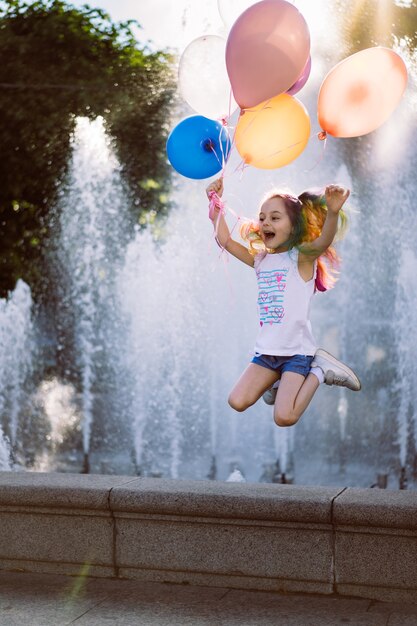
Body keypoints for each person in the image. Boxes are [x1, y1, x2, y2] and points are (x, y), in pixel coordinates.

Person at [206, 177, 361, 428]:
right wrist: (215, 207)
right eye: (262, 217)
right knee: (237, 400)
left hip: (296, 354)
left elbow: (323, 241)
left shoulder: (301, 258)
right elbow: (225, 241)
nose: (265, 222)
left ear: (293, 226)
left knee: (284, 417)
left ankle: (319, 370)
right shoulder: (260, 260)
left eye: (275, 218)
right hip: (267, 353)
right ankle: (275, 381)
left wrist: (332, 213)